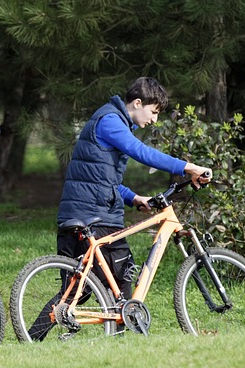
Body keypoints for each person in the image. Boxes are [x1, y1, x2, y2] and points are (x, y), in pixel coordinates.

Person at [28, 77, 212, 341]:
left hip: (78, 211)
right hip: (96, 214)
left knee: (76, 290)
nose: (154, 120)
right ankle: (119, 342)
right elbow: (141, 152)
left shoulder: (107, 120)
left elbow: (101, 178)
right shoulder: (111, 121)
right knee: (122, 279)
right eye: (153, 112)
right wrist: (187, 167)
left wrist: (134, 198)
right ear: (137, 103)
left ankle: (31, 338)